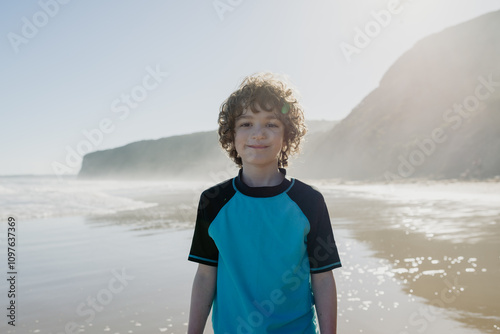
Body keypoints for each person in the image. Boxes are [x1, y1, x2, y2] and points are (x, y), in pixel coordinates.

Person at [187, 72, 342, 334]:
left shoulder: (309, 201)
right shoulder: (213, 202)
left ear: (286, 137)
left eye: (271, 124)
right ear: (232, 136)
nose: (258, 134)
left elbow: (323, 277)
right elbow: (205, 275)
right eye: (246, 124)